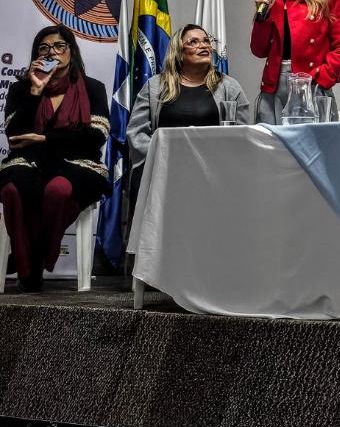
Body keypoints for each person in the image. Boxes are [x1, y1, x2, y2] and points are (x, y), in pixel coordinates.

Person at [0, 25, 110, 292]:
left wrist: (45, 139)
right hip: (30, 162)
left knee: (58, 189)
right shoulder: (21, 90)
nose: (52, 52)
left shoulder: (93, 88)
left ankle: (32, 262)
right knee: (11, 188)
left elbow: (95, 136)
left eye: (59, 46)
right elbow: (15, 134)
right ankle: (29, 267)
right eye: (44, 48)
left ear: (71, 51)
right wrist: (35, 90)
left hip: (79, 163)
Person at [127, 24, 251, 210]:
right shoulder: (155, 86)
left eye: (206, 41)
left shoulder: (229, 87)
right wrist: (161, 157)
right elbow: (136, 133)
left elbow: (243, 135)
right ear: (178, 52)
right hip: (162, 173)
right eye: (194, 42)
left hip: (213, 175)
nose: (204, 45)